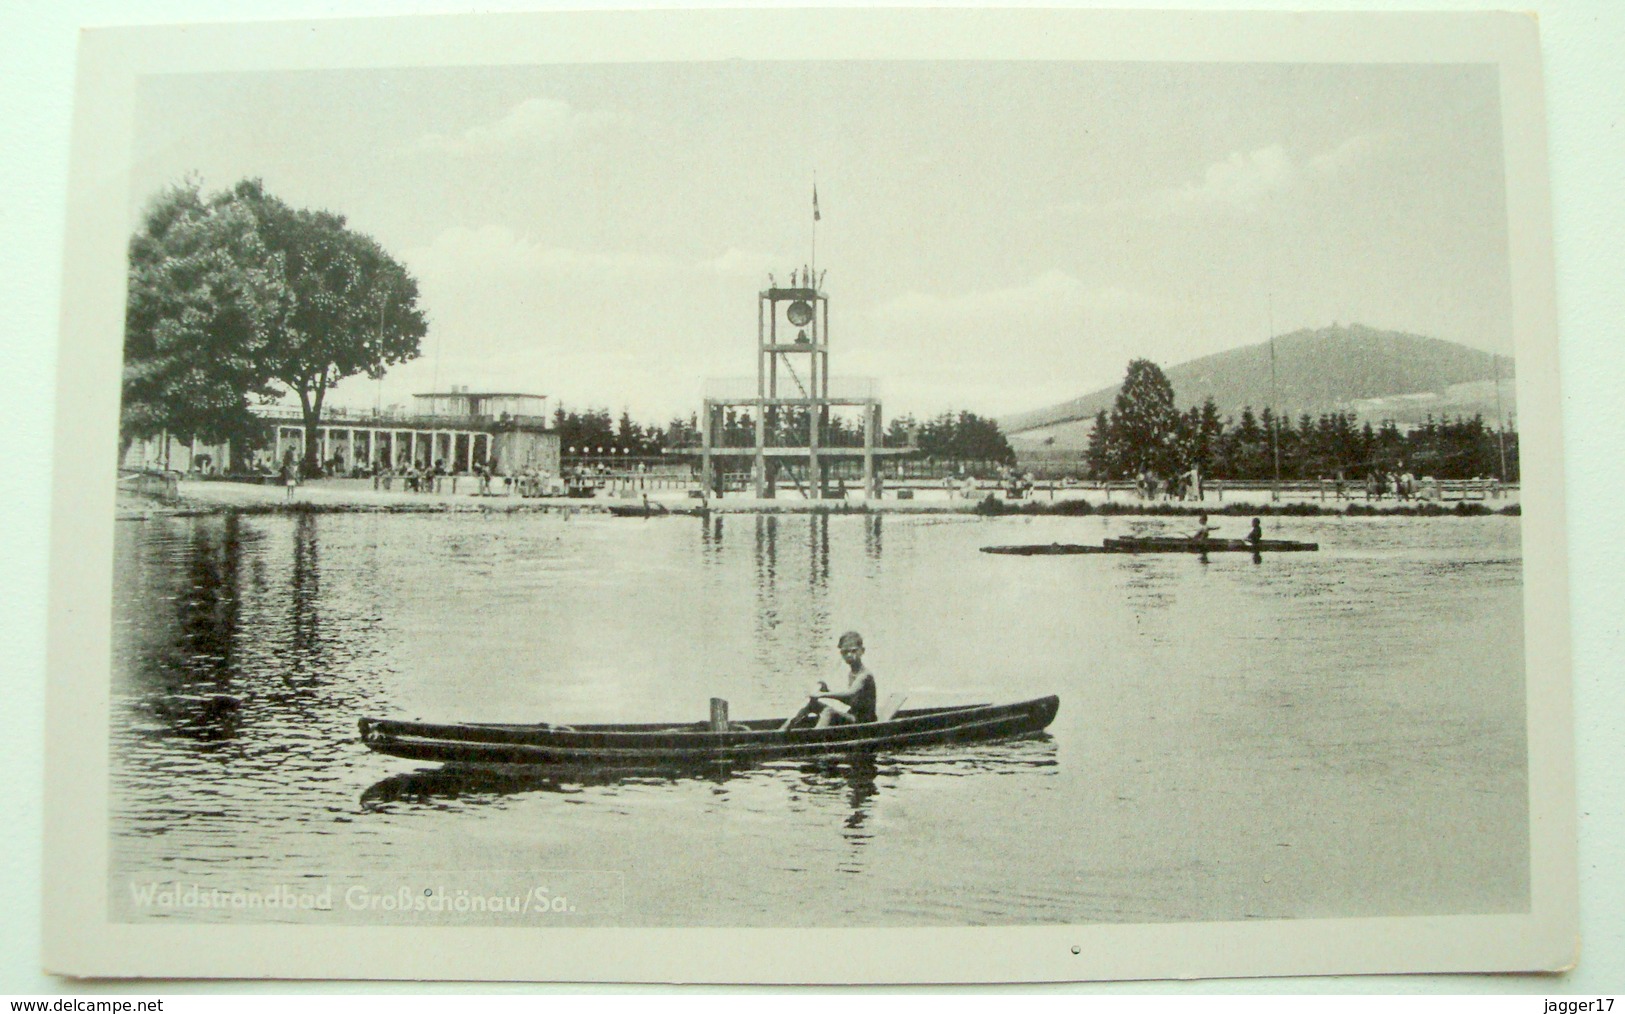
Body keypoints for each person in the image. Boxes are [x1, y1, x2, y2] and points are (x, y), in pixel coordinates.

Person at [780, 631, 878, 731]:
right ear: (841, 653)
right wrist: (825, 690)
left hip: (864, 723)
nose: (849, 655)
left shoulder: (865, 675)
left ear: (862, 651)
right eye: (845, 652)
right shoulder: (852, 673)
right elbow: (852, 701)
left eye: (853, 651)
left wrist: (822, 694)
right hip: (853, 718)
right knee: (812, 704)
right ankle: (781, 732)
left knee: (829, 711)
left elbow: (850, 694)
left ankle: (814, 740)